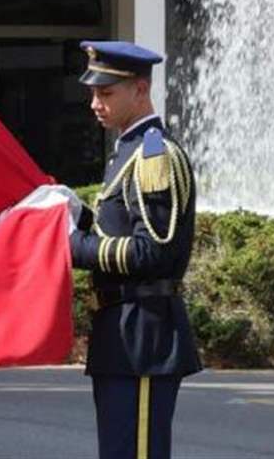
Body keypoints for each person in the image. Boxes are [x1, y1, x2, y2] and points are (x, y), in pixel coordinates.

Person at [67, 40, 201, 459]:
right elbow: (122, 226)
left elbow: (153, 252)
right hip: (122, 331)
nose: (95, 103)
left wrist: (74, 247)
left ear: (140, 90)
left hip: (144, 334)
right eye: (93, 93)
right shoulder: (127, 151)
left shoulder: (153, 156)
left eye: (106, 93)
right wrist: (80, 215)